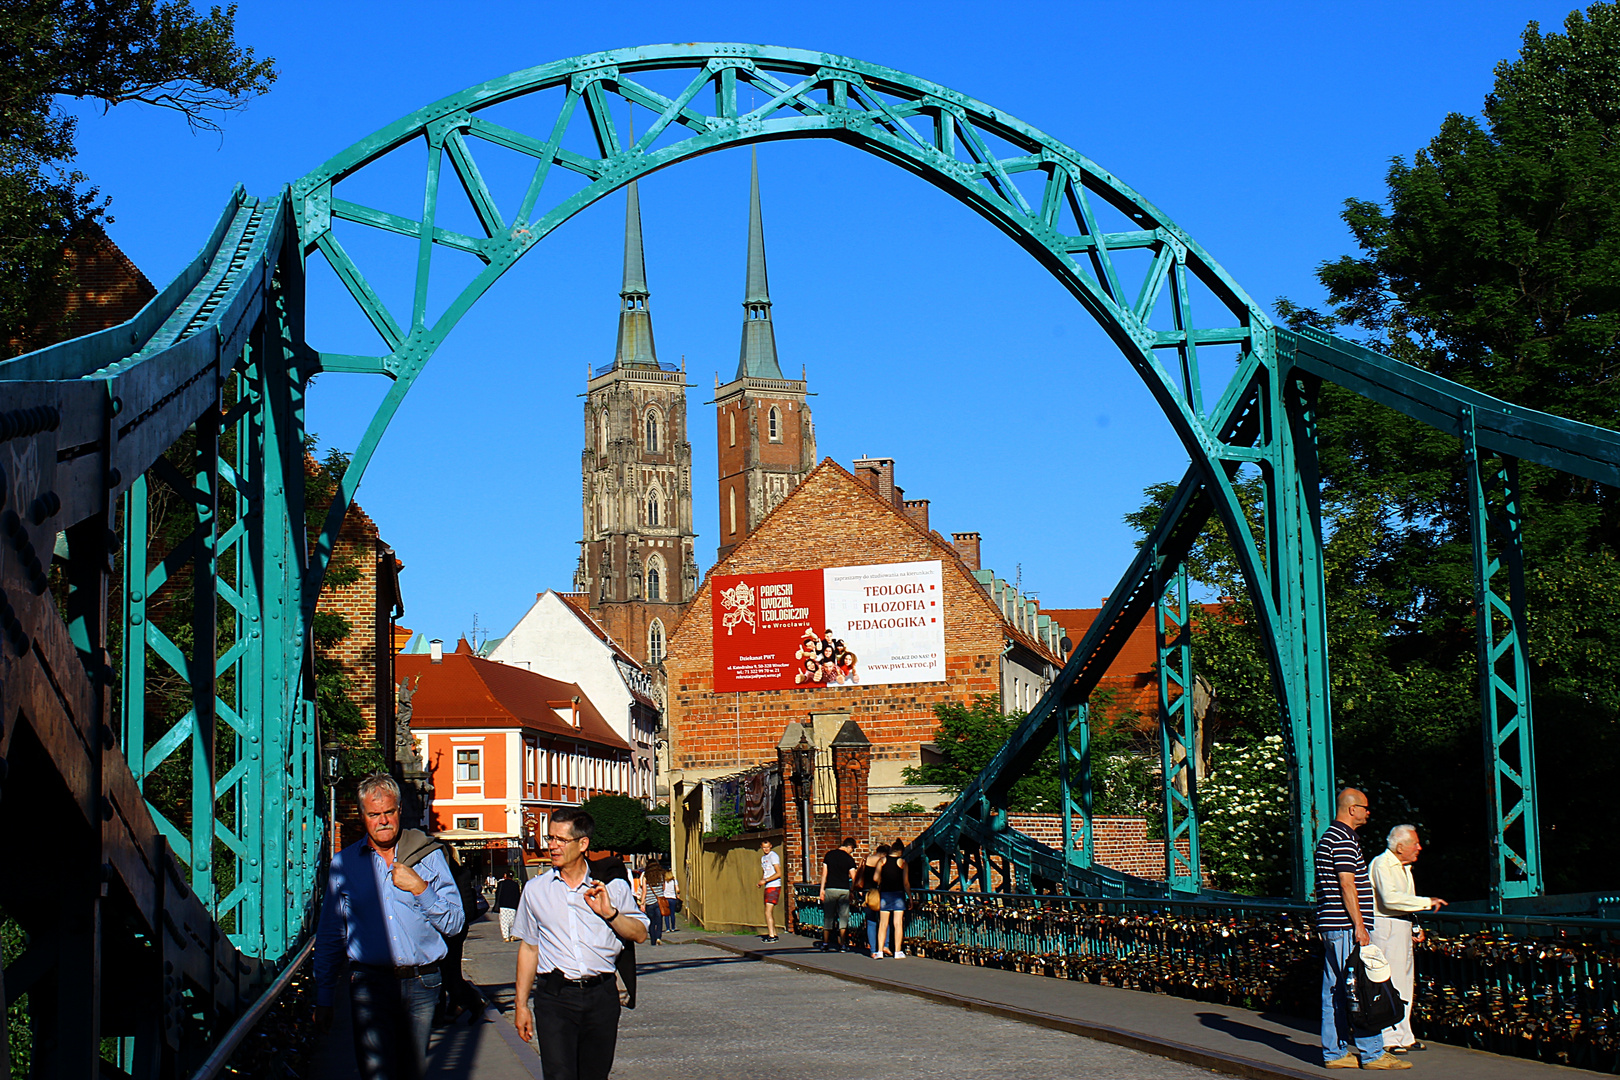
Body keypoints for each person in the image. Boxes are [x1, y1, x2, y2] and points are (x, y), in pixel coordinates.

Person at [314, 774, 465, 1080]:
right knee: (376, 1073)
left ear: (399, 812)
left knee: (412, 1072)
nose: (383, 821)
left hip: (422, 983)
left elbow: (455, 922)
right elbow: (332, 934)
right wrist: (324, 995)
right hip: (370, 983)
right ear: (362, 816)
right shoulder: (345, 865)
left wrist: (420, 887)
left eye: (389, 812)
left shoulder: (428, 856)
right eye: (374, 814)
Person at [512, 808, 649, 1080]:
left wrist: (609, 913)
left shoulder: (612, 887)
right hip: (555, 996)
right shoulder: (536, 890)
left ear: (582, 844)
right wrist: (520, 1005)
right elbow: (529, 948)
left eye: (561, 840)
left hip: (602, 995)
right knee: (558, 1074)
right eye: (550, 838)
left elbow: (640, 933)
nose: (552, 846)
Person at [1315, 788, 1410, 1071]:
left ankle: (1334, 1052)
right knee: (1361, 988)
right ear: (1352, 808)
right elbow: (1347, 883)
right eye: (1365, 808)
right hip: (1346, 926)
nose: (1368, 813)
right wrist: (1360, 925)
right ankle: (1372, 1053)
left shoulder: (1327, 837)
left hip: (1331, 924)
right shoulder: (1344, 839)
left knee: (1333, 990)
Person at [1371, 824, 1446, 1055]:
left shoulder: (1404, 868)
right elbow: (1390, 900)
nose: (1419, 847)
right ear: (1400, 846)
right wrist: (1426, 902)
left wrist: (1415, 926)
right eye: (1415, 843)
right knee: (1388, 981)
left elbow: (1404, 902)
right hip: (1385, 926)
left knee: (1404, 981)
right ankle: (1387, 1036)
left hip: (1400, 925)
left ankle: (1404, 1034)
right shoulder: (1382, 864)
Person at [817, 837, 858, 951]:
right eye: (852, 849)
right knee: (843, 917)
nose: (852, 852)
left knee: (828, 917)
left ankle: (825, 943)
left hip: (830, 888)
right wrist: (852, 891)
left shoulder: (829, 855)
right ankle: (843, 944)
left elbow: (824, 873)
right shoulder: (849, 859)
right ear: (849, 846)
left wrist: (822, 889)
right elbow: (854, 877)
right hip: (843, 889)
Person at [876, 840, 909, 959]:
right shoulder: (902, 862)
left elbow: (875, 877)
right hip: (898, 894)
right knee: (898, 923)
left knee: (883, 924)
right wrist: (909, 897)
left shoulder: (882, 861)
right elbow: (905, 883)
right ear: (900, 851)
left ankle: (879, 951)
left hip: (885, 894)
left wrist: (881, 881)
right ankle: (897, 951)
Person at [859, 844, 886, 957]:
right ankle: (885, 945)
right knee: (884, 921)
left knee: (870, 921)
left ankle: (873, 950)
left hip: (867, 893)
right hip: (880, 892)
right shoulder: (882, 861)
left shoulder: (866, 859)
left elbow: (859, 875)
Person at [758, 838, 782, 942]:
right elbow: (766, 872)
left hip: (774, 885)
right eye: (764, 847)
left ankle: (771, 936)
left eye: (767, 847)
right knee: (768, 911)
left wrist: (766, 880)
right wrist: (762, 881)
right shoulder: (763, 858)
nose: (766, 849)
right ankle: (774, 933)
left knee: (768, 912)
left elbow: (778, 873)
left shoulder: (773, 856)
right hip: (768, 886)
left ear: (771, 846)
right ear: (761, 847)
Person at [641, 863, 666, 946]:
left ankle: (653, 940)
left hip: (649, 902)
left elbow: (644, 891)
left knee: (651, 922)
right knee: (659, 921)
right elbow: (663, 888)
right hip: (659, 902)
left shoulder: (646, 876)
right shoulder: (661, 875)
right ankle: (658, 937)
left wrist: (642, 903)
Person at [495, 871, 522, 943]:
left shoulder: (501, 884)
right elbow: (518, 896)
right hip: (513, 906)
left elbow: (498, 894)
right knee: (512, 921)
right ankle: (512, 935)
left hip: (503, 905)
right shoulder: (515, 885)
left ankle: (506, 937)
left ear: (505, 875)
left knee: (504, 922)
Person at [660, 864, 680, 933]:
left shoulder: (664, 881)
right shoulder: (674, 881)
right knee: (672, 914)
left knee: (666, 914)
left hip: (666, 898)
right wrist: (677, 893)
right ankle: (673, 927)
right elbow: (677, 890)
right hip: (673, 898)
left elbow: (663, 889)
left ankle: (668, 928)